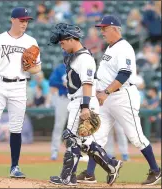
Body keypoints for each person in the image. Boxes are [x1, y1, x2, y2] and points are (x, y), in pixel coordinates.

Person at [77, 15, 161, 186]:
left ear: (115, 28)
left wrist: (106, 92)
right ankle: (90, 174)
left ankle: (156, 170)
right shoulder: (110, 48)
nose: (102, 32)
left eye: (104, 28)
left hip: (122, 96)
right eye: (101, 28)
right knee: (97, 137)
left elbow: (124, 74)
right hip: (106, 98)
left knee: (135, 136)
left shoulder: (124, 48)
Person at [48, 23, 123, 186]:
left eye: (62, 42)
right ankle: (111, 165)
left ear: (70, 39)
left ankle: (67, 177)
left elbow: (87, 84)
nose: (61, 45)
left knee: (71, 138)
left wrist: (85, 107)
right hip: (79, 101)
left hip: (82, 101)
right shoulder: (75, 56)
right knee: (84, 142)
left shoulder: (84, 58)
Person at [0, 7, 42, 178]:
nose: (24, 23)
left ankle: (15, 167)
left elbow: (38, 69)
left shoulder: (31, 41)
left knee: (16, 127)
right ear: (12, 19)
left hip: (19, 85)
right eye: (22, 20)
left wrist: (30, 66)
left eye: (27, 21)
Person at [49, 62, 69, 160]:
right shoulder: (60, 68)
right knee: (58, 126)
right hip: (63, 98)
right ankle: (54, 151)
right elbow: (52, 81)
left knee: (77, 127)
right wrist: (62, 84)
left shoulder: (79, 65)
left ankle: (75, 152)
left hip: (76, 98)